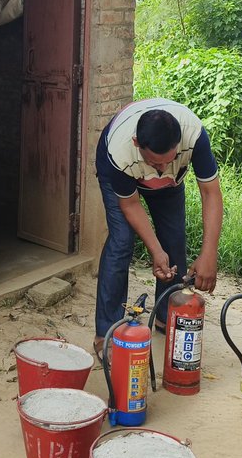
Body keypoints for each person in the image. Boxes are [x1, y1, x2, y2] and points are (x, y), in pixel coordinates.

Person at [93, 98, 223, 358]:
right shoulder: (119, 151)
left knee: (173, 239)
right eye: (155, 163)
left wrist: (209, 253)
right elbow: (130, 205)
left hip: (168, 187)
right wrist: (155, 251)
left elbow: (211, 193)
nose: (162, 170)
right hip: (121, 174)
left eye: (169, 160)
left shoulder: (194, 136)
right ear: (137, 145)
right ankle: (106, 330)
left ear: (179, 145)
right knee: (122, 240)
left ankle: (166, 314)